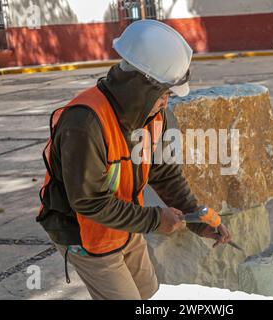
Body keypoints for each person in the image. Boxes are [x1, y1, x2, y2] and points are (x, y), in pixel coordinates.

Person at [37, 20, 232, 300]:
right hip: (84, 234)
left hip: (125, 226)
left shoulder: (151, 114)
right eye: (164, 93)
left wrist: (198, 219)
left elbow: (163, 172)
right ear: (141, 86)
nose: (166, 102)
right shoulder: (84, 122)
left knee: (149, 297)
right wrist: (154, 220)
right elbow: (89, 201)